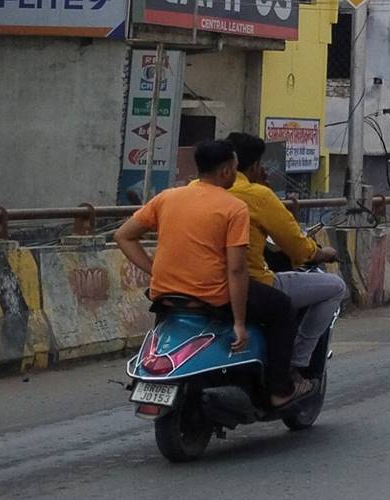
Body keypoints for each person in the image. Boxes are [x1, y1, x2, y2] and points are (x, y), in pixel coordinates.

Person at [113, 139, 305, 409]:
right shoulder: (233, 207)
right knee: (283, 308)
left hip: (166, 295)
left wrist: (153, 269)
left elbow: (123, 235)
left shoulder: (167, 197)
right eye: (236, 168)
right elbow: (236, 269)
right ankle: (280, 390)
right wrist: (239, 322)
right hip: (211, 296)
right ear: (226, 171)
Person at [224, 132, 344, 382]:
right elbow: (297, 248)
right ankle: (294, 365)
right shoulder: (257, 195)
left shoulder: (195, 191)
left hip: (201, 280)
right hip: (250, 281)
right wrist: (323, 253)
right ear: (254, 165)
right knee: (334, 287)